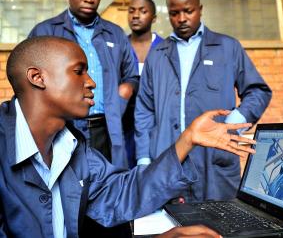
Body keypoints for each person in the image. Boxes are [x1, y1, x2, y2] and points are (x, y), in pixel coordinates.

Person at [0, 36, 255, 238]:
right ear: (37, 77)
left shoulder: (72, 146)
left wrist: (186, 140)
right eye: (79, 71)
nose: (91, 83)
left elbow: (120, 193)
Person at [135, 0, 272, 202]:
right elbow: (144, 109)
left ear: (200, 9)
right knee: (174, 229)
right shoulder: (157, 54)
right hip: (168, 161)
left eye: (188, 11)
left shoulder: (227, 47)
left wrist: (232, 124)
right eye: (174, 13)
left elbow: (258, 91)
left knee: (222, 227)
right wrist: (144, 159)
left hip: (214, 162)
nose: (181, 18)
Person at [29, 0, 137, 169]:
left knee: (109, 188)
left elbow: (132, 75)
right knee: (68, 190)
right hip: (63, 127)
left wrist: (124, 91)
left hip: (106, 128)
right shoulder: (45, 32)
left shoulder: (115, 33)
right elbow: (29, 85)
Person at [123, 0, 164, 167]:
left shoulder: (165, 48)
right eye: (131, 11)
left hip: (156, 125)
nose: (136, 15)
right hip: (124, 125)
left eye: (143, 11)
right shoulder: (120, 46)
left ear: (154, 18)